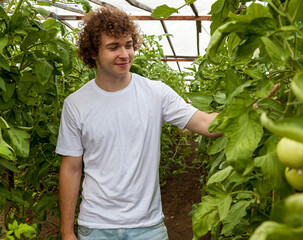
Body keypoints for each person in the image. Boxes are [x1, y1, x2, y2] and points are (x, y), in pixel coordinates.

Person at [56, 6, 222, 240]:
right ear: (93, 52)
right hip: (95, 227)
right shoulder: (76, 104)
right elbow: (71, 169)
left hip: (147, 227)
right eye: (113, 47)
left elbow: (205, 123)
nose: (124, 54)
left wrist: (248, 110)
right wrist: (66, 232)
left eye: (129, 45)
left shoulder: (156, 93)